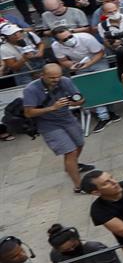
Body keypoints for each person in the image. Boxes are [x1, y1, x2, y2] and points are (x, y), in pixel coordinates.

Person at [19, 61, 89, 191]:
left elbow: (80, 99)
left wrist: (75, 102)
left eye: (58, 76)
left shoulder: (65, 81)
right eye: (52, 78)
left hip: (67, 118)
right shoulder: (31, 89)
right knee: (70, 151)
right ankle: (78, 186)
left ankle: (70, 166)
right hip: (47, 124)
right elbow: (28, 113)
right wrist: (52, 107)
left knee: (79, 144)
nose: (56, 80)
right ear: (42, 75)